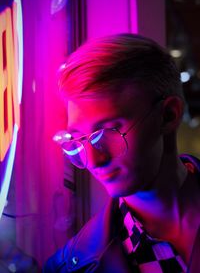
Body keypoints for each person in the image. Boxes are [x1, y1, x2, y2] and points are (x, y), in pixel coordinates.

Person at [43, 34, 200, 272]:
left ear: (168, 115)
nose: (94, 161)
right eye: (78, 139)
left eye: (107, 132)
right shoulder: (67, 268)